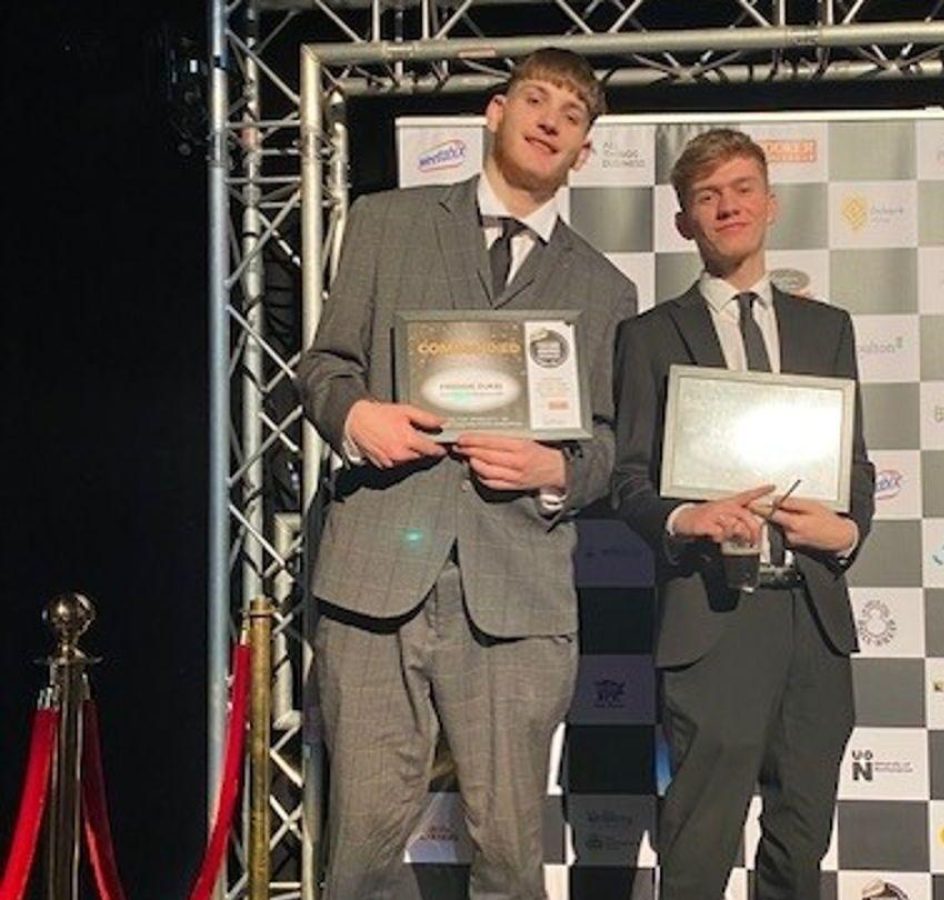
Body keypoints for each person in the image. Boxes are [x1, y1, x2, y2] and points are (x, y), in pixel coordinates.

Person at [296, 47, 637, 900]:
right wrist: (356, 417)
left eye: (573, 113)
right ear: (495, 111)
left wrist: (554, 468)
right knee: (360, 856)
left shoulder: (606, 288)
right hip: (378, 580)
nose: (551, 118)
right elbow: (324, 366)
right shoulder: (385, 222)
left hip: (516, 598)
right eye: (536, 98)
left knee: (511, 858)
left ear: (584, 152)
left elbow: (606, 447)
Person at [611, 128, 875, 899]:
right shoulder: (648, 337)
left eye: (741, 188)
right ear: (684, 221)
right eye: (706, 196)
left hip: (814, 618)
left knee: (802, 838)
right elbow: (627, 482)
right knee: (699, 842)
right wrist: (685, 519)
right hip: (713, 614)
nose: (727, 206)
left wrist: (850, 528)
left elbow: (854, 467)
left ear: (770, 203)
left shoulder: (830, 328)